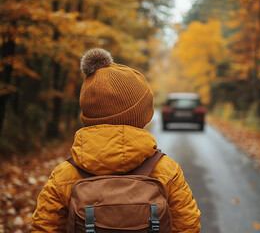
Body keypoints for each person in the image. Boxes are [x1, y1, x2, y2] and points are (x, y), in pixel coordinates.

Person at [31, 48, 201, 232]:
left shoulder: (64, 175)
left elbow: (44, 228)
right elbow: (188, 227)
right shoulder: (166, 170)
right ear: (142, 115)